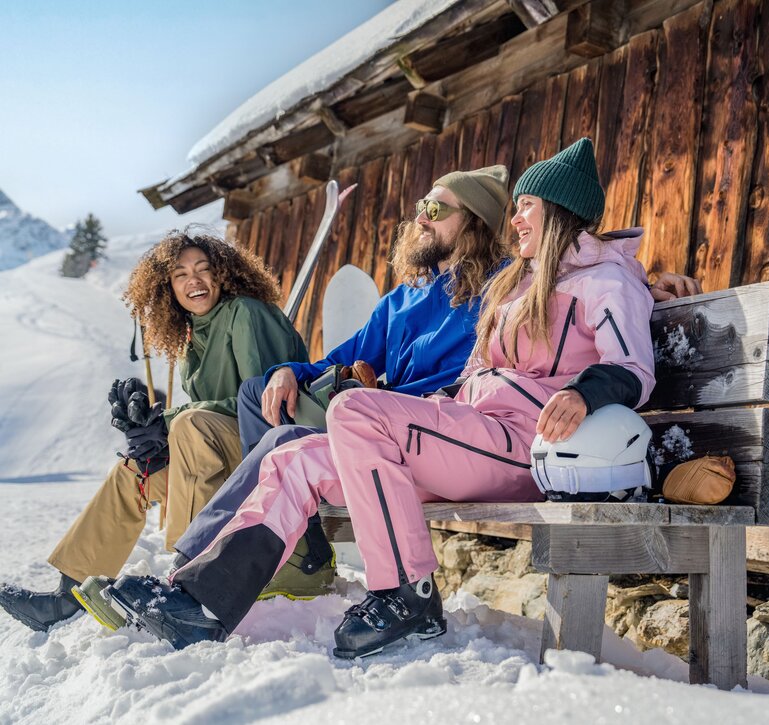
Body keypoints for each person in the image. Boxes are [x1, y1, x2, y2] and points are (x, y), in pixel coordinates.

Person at [104, 138, 658, 657]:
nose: (515, 219)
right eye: (513, 208)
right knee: (292, 455)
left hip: (529, 443)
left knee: (354, 409)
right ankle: (198, 598)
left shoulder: (605, 278)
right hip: (469, 431)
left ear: (559, 210)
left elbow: (631, 363)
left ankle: (407, 592)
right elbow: (473, 372)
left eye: (527, 205)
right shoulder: (517, 286)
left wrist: (587, 391)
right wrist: (435, 403)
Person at [0, 230, 308, 632]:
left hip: (270, 450)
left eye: (203, 269)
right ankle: (68, 592)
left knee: (189, 426)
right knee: (137, 469)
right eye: (180, 274)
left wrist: (171, 421)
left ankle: (180, 583)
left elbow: (261, 402)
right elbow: (206, 413)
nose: (193, 281)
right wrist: (151, 430)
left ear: (224, 275)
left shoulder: (246, 313)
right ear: (169, 287)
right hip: (219, 449)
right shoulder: (195, 334)